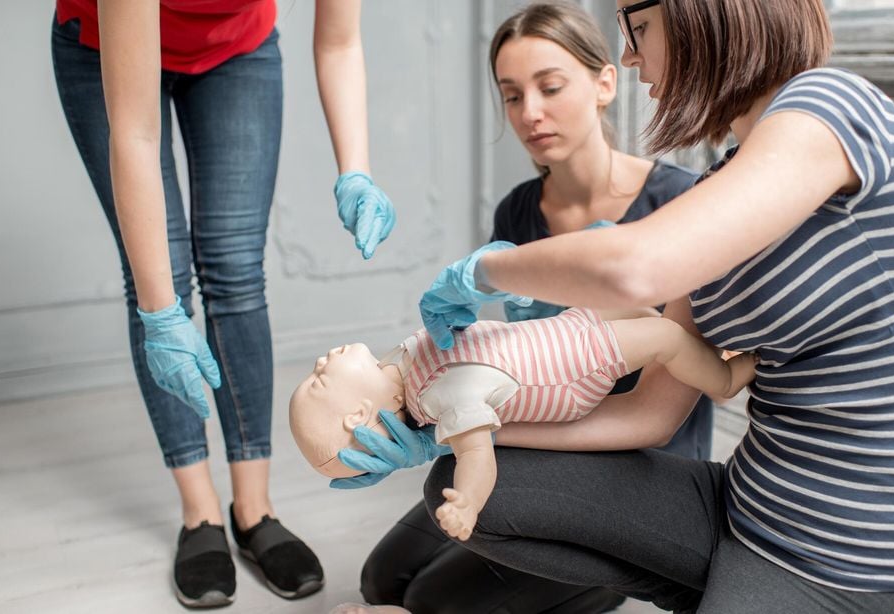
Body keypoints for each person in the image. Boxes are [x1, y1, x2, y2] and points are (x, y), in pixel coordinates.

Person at [346, 1, 894, 612]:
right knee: (458, 486)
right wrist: (454, 434)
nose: (630, 54)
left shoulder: (835, 105)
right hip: (743, 505)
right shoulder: (720, 185)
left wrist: (481, 269)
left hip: (855, 560)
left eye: (637, 29)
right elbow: (650, 415)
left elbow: (633, 269)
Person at [346, 3, 716, 612]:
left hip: (640, 461)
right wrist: (435, 421)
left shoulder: (679, 206)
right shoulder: (518, 213)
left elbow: (661, 404)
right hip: (535, 445)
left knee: (433, 603)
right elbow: (505, 368)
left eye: (550, 87)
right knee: (381, 580)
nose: (530, 114)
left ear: (605, 82)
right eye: (512, 95)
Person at [51, 0, 396, 607]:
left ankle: (254, 511)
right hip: (102, 46)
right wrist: (161, 315)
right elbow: (132, 133)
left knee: (237, 273)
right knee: (159, 279)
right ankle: (200, 515)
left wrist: (356, 171)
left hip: (237, 51)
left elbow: (339, 42)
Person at [287, 307, 756, 537]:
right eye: (318, 382)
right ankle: (725, 378)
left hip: (563, 329)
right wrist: (467, 503)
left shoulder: (406, 363)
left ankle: (714, 349)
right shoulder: (442, 396)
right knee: (664, 336)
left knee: (638, 305)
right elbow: (477, 456)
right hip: (572, 369)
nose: (320, 362)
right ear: (357, 415)